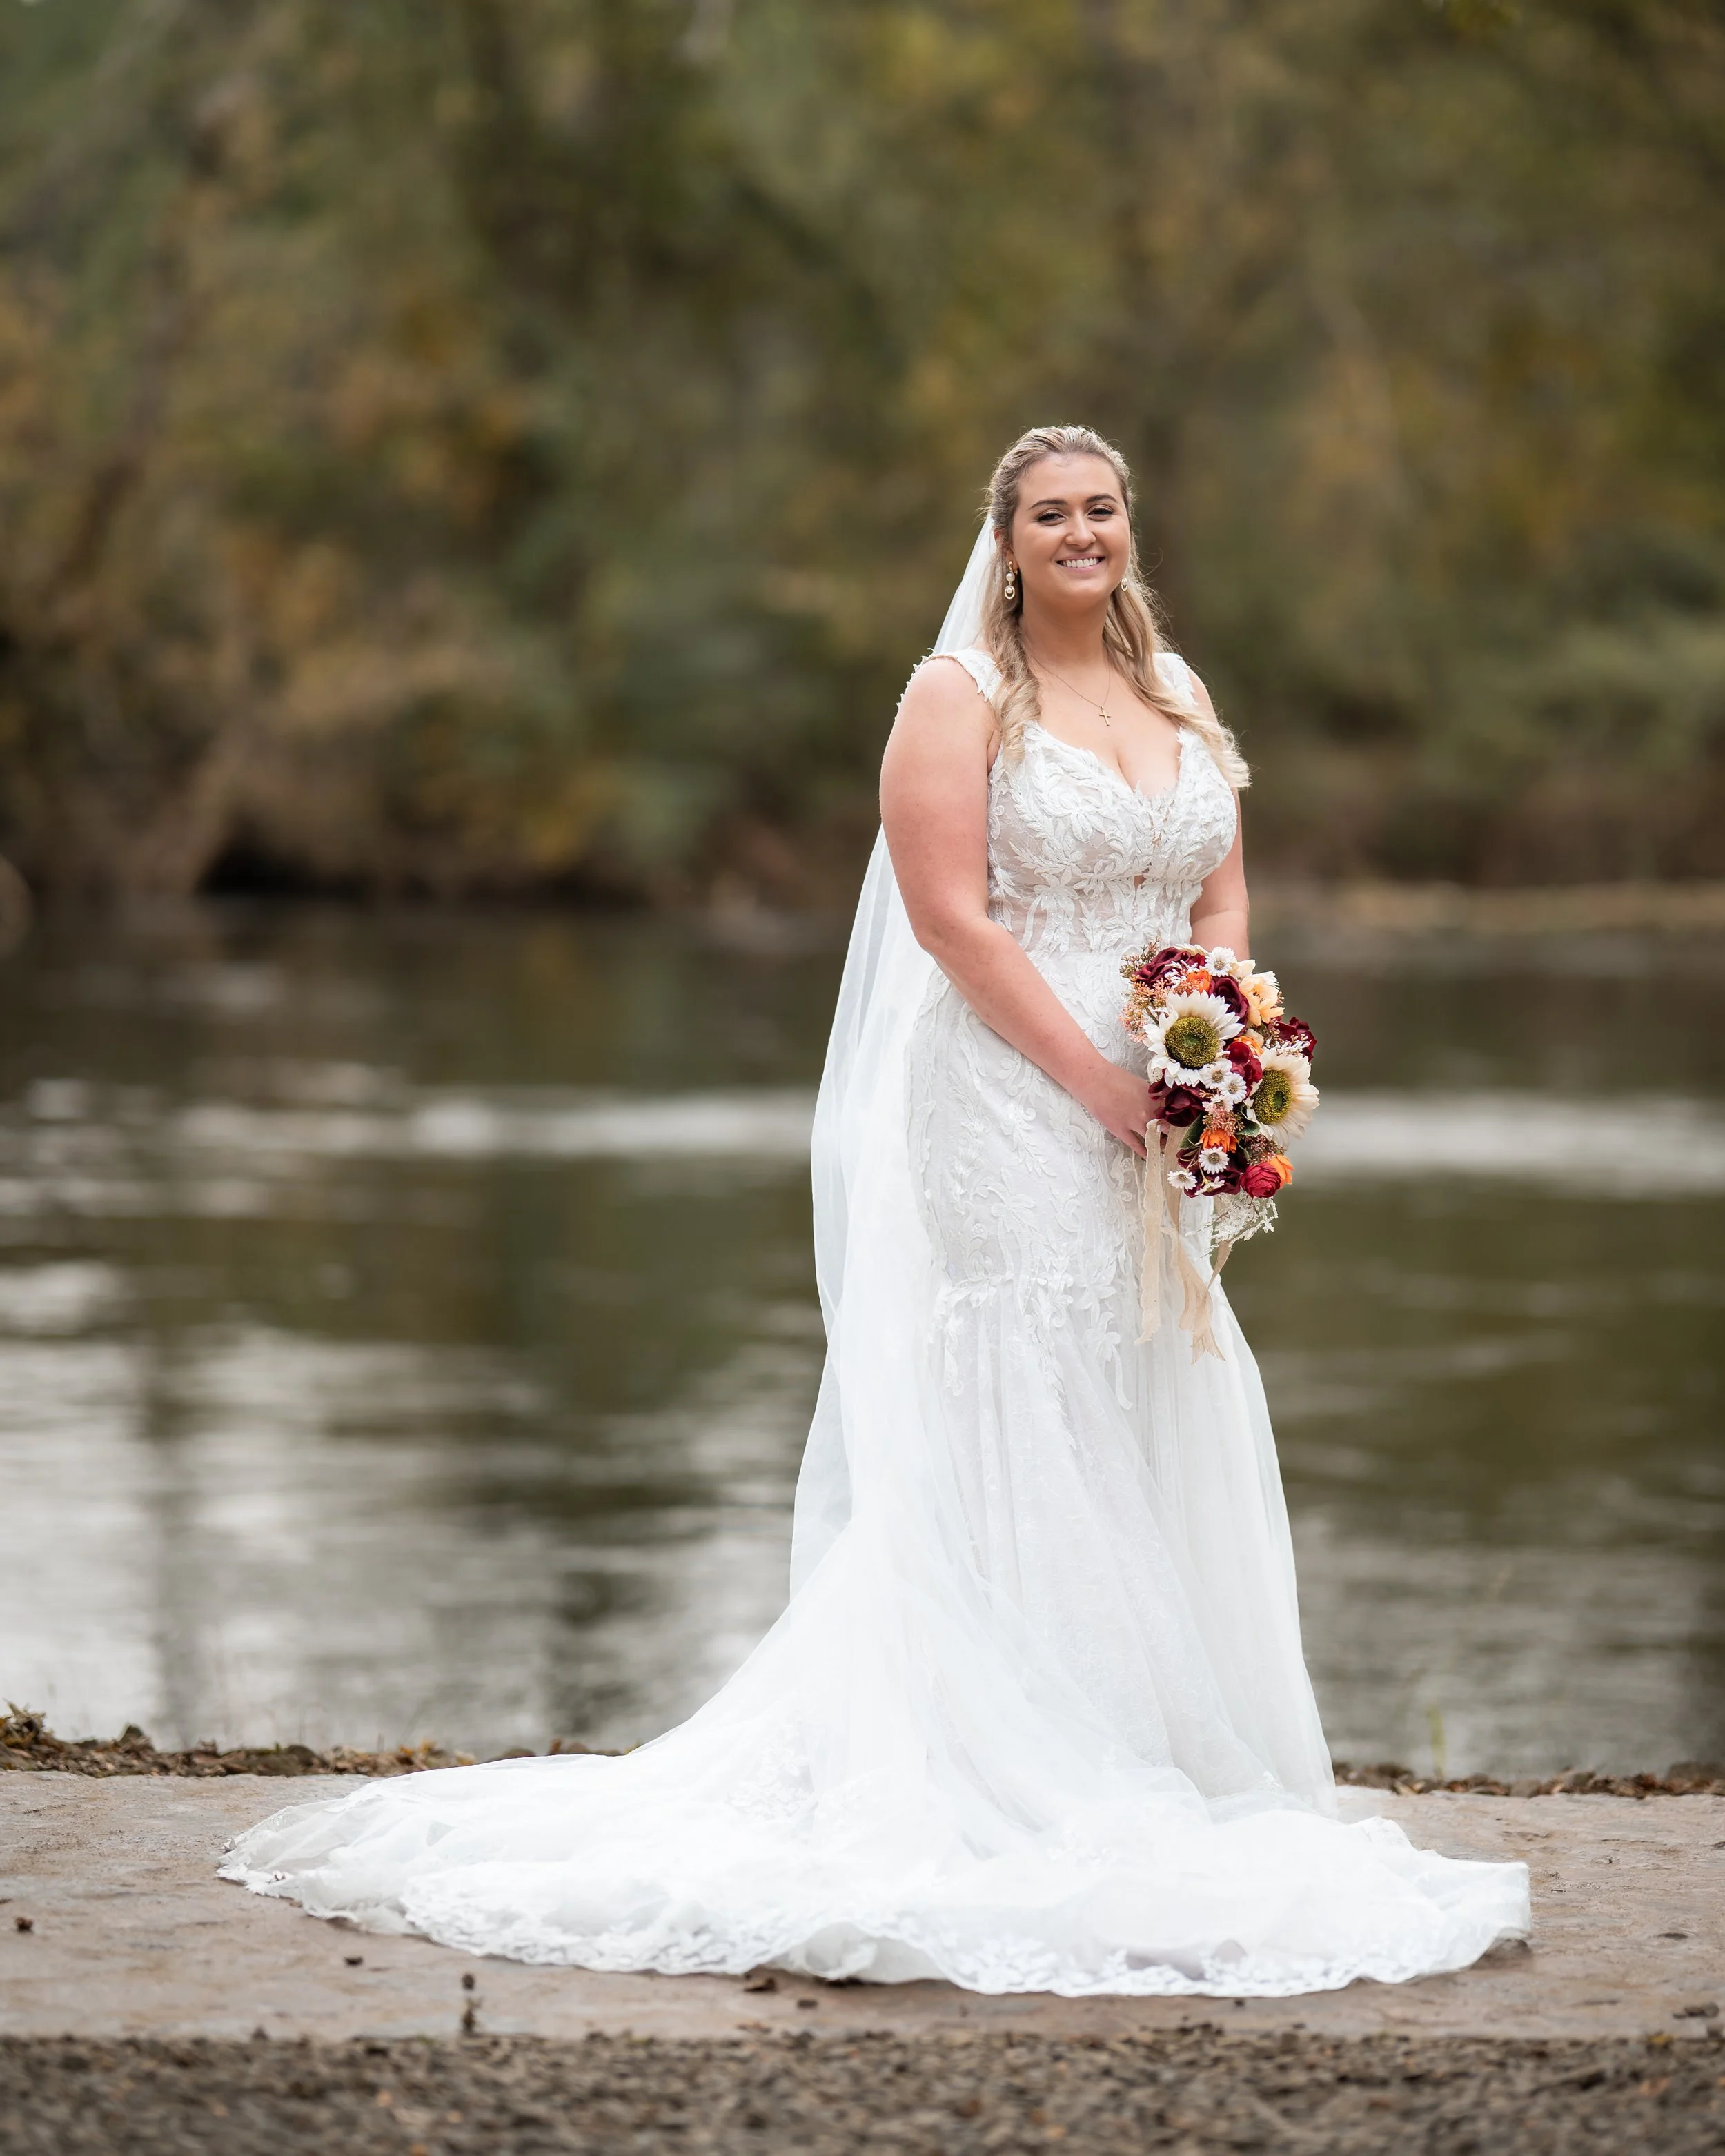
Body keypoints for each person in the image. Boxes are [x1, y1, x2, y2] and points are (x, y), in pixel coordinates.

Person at [221, 426, 1529, 1995]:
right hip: (1004, 1091)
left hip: (1155, 1090)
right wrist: (1102, 1088)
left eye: (1099, 510)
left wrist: (1217, 1043)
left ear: (1129, 527)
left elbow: (1218, 889)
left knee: (1131, 1383)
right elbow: (953, 924)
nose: (1078, 533)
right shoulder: (956, 698)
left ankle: (1135, 1739)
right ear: (1006, 536)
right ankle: (998, 1758)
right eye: (1048, 513)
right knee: (1022, 1384)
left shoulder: (1174, 693)